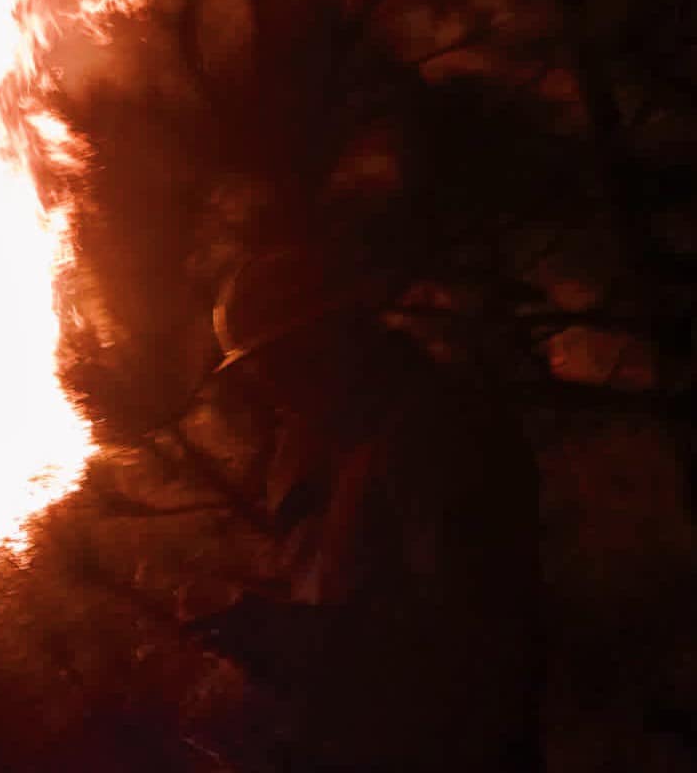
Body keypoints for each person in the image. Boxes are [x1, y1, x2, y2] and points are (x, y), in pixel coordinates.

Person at [190, 247, 542, 772]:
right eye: (258, 369)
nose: (268, 388)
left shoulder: (435, 432)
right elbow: (340, 591)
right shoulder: (329, 447)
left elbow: (464, 642)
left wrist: (281, 636)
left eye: (278, 360)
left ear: (335, 335)